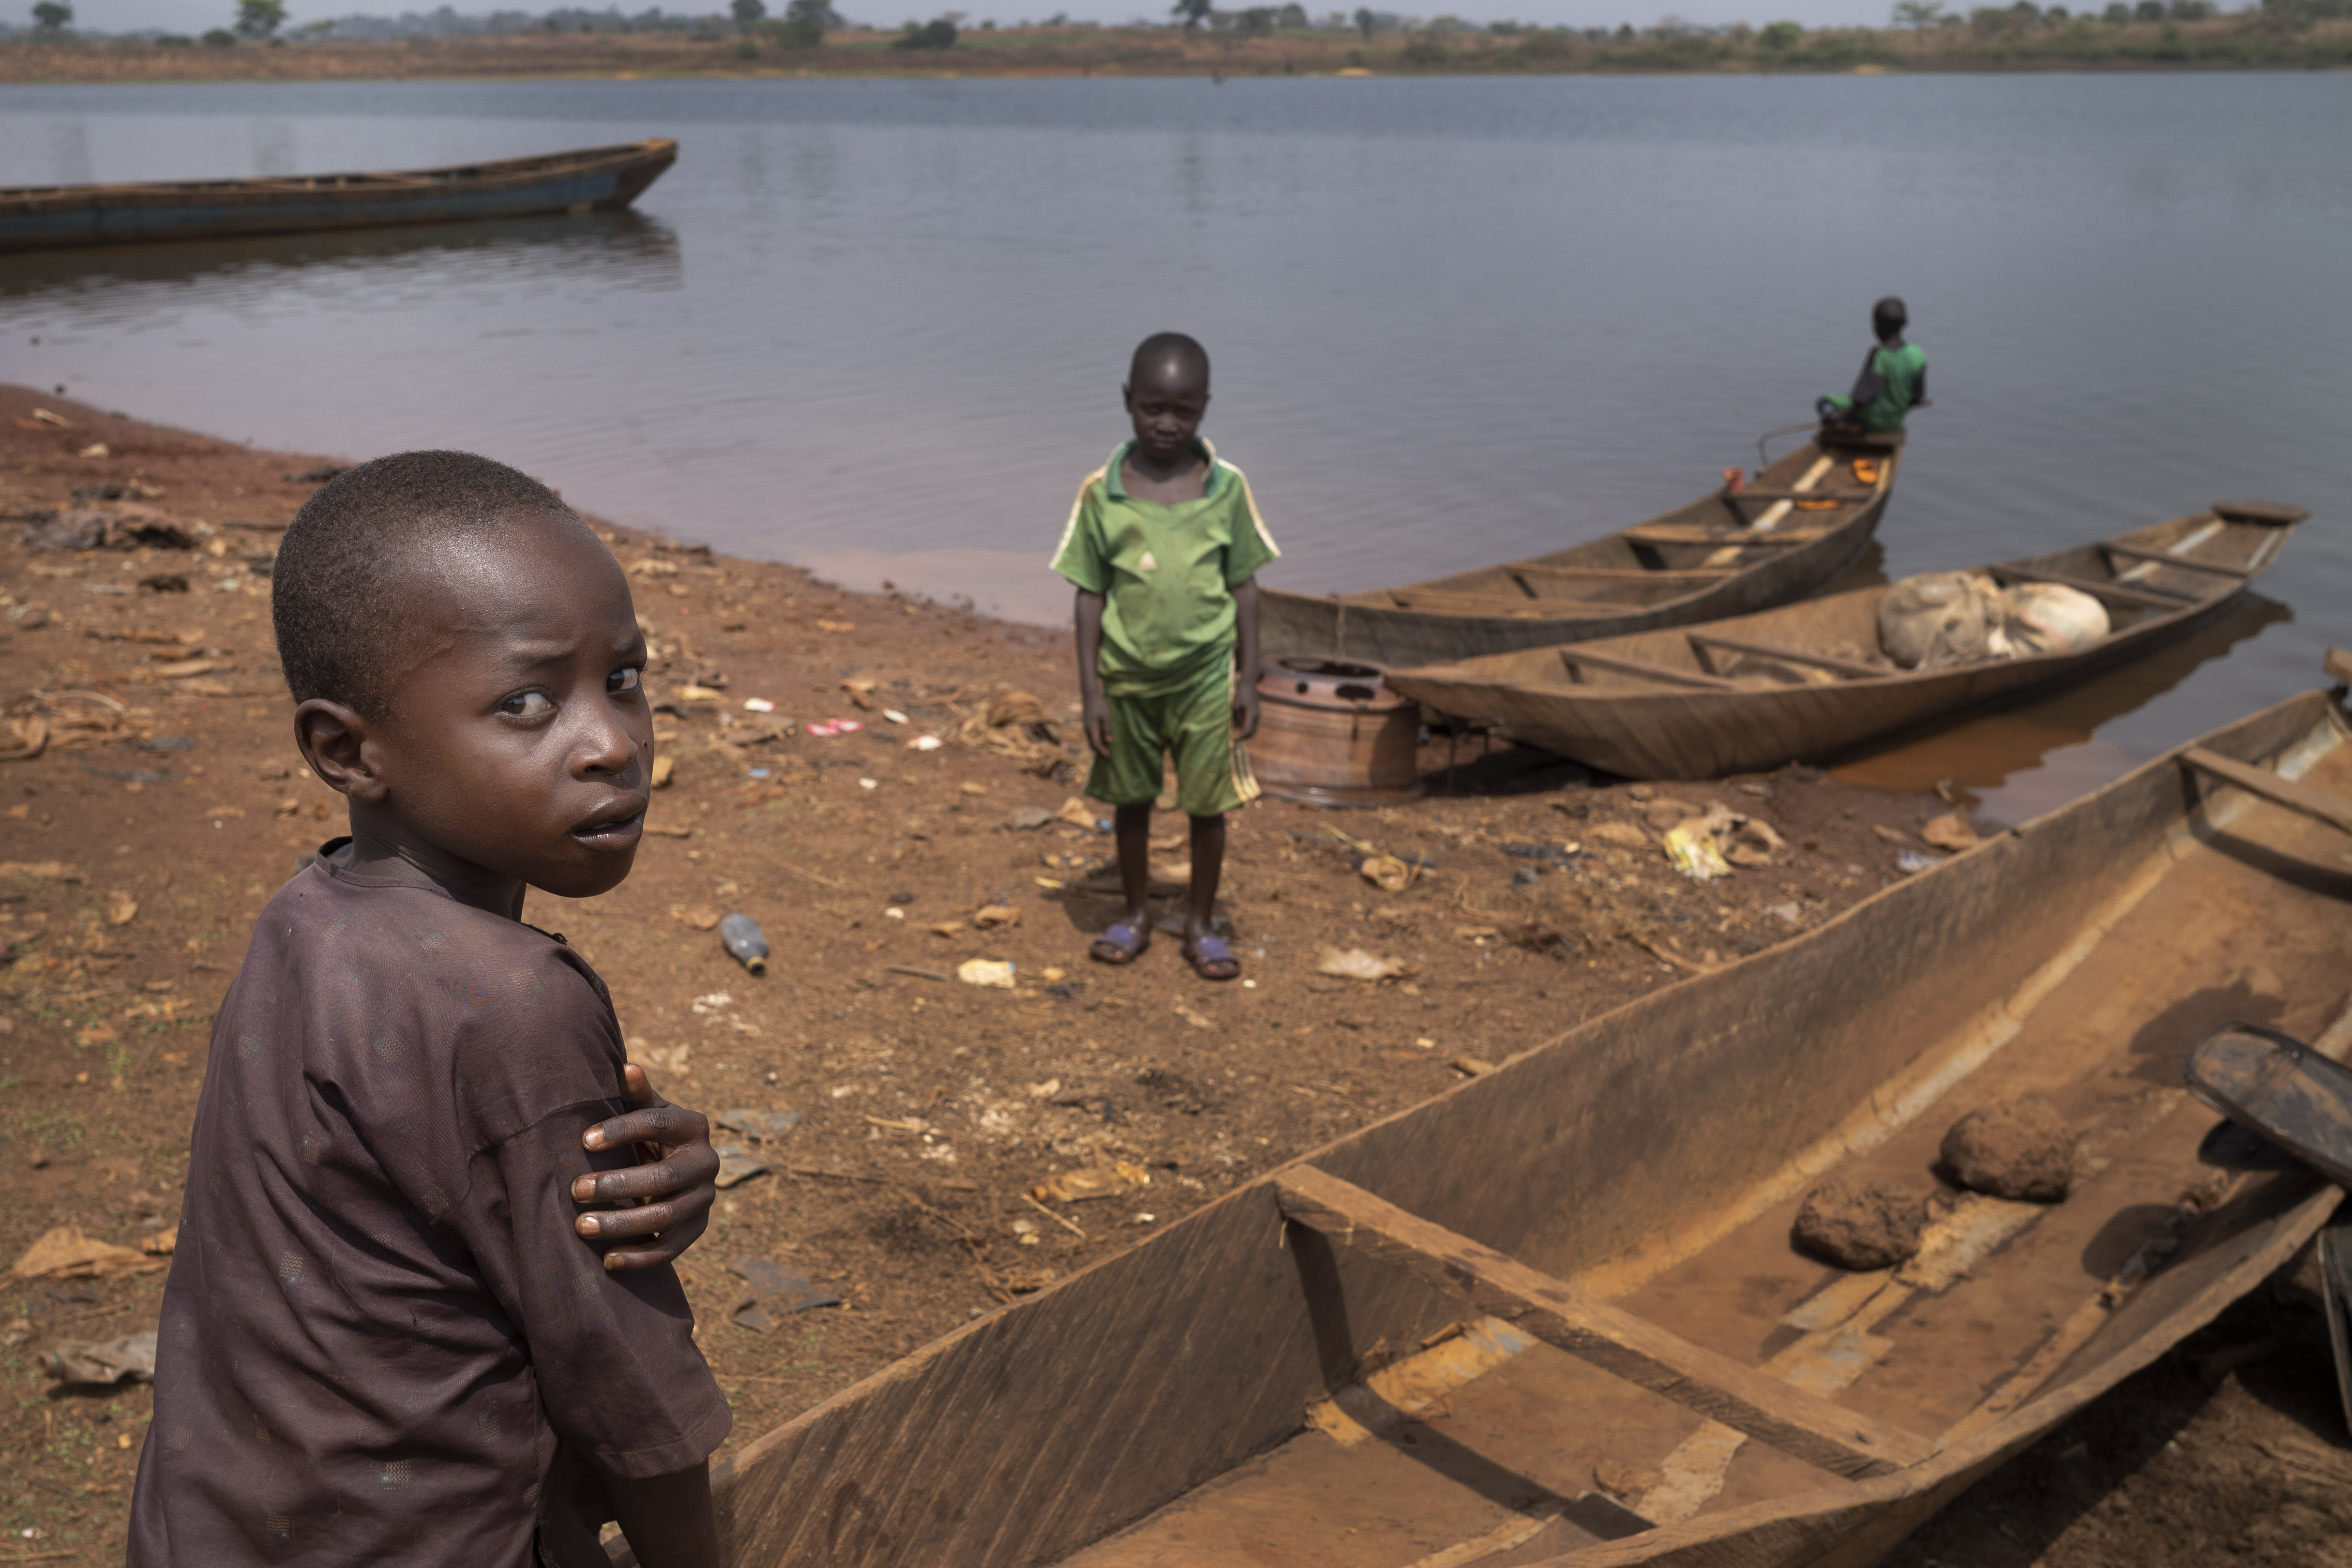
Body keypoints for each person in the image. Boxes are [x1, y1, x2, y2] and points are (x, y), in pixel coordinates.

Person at [128, 452, 730, 1568]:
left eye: (628, 677)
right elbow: (635, 1401)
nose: (612, 742)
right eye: (527, 702)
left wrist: (589, 1168)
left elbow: (415, 1223)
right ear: (348, 749)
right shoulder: (511, 1003)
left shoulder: (303, 921)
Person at [1051, 332, 1280, 982]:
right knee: (1132, 798)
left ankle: (1201, 924)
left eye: (1184, 411)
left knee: (1209, 804)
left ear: (1205, 408)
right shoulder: (1102, 492)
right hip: (1127, 679)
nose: (1166, 424)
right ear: (1129, 402)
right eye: (1153, 408)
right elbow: (1089, 595)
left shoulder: (1227, 489)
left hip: (1206, 677)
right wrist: (1092, 692)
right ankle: (1135, 913)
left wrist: (1248, 679)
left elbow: (1245, 587)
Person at [1817, 296, 1928, 435]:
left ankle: (1842, 425)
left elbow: (1863, 398)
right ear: (1905, 323)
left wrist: (1842, 416)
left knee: (1824, 402)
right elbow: (1918, 397)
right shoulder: (1918, 354)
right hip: (1894, 423)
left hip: (1870, 422)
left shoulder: (1880, 356)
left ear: (1877, 325)